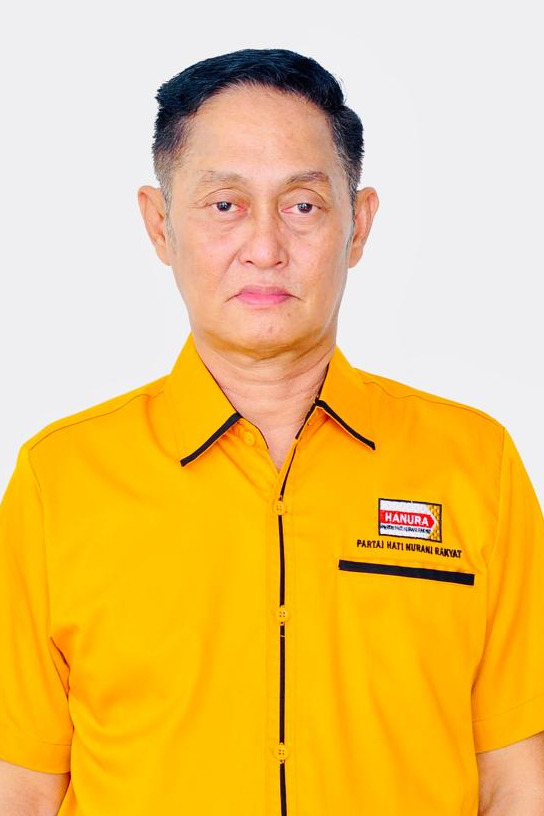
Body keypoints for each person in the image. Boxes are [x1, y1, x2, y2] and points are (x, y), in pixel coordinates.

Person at [0, 48, 543, 816]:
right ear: (160, 225)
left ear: (359, 225)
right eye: (225, 204)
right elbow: (21, 788)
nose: (264, 247)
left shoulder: (474, 466)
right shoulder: (60, 481)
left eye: (303, 206)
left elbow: (517, 780)